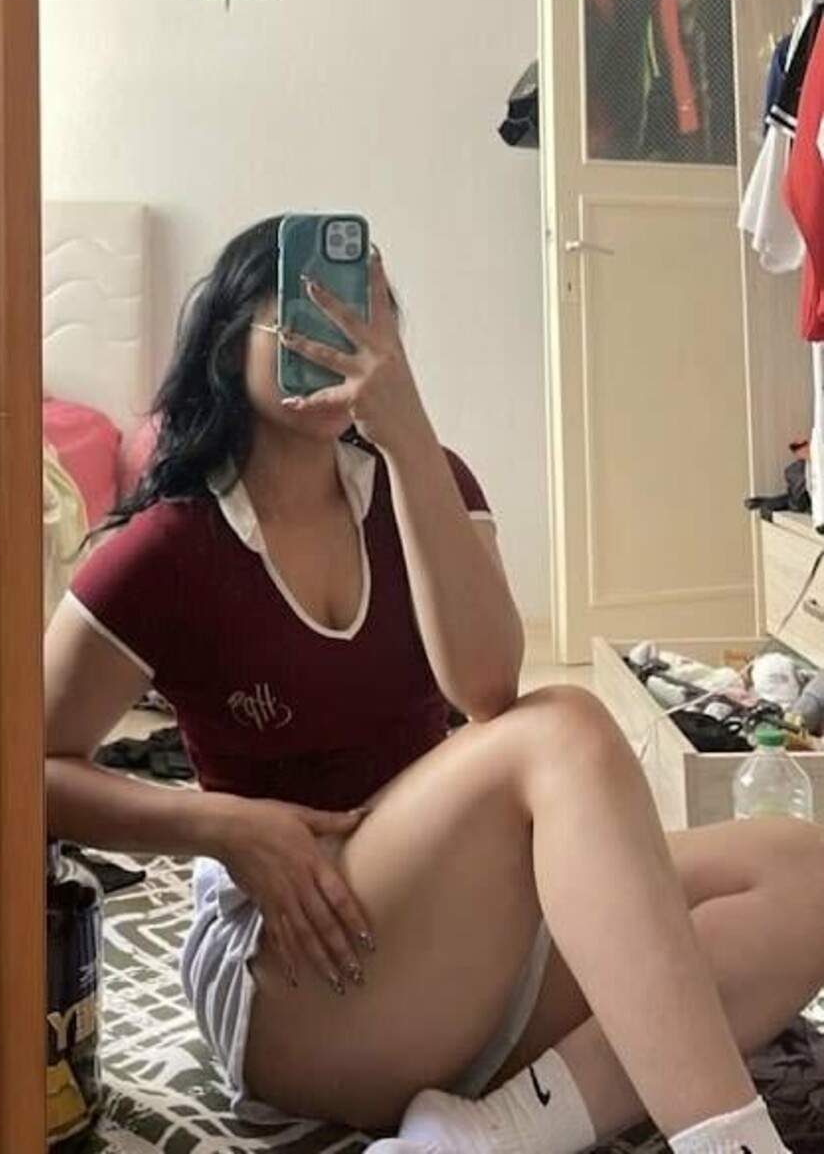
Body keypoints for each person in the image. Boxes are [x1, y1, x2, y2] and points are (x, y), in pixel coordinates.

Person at [45, 215, 824, 1154]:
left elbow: (487, 689)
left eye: (362, 314)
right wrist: (217, 826)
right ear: (226, 342)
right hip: (298, 965)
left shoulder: (426, 478)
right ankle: (729, 1144)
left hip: (455, 929)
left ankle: (488, 1135)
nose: (335, 337)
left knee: (806, 870)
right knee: (566, 728)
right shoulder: (167, 549)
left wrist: (407, 432)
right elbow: (29, 773)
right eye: (301, 313)